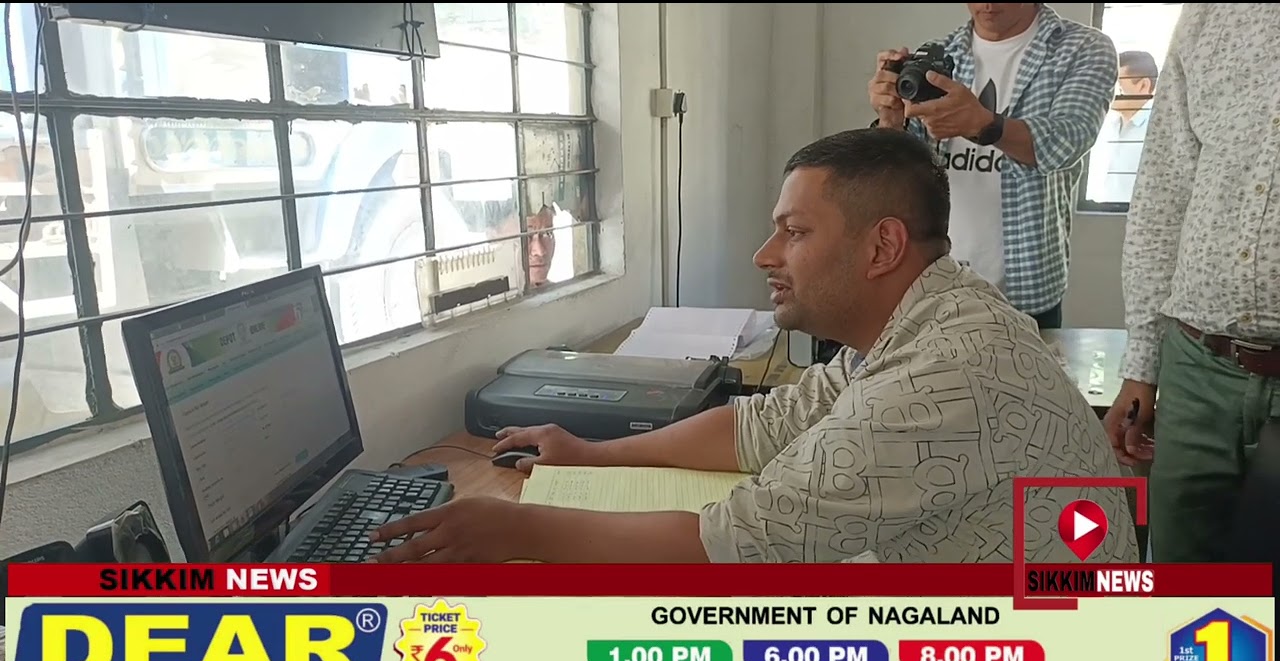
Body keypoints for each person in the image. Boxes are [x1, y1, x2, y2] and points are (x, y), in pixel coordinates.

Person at [370, 128, 1138, 565]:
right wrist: (589, 453)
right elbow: (764, 425)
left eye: (794, 232)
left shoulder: (941, 376)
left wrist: (514, 527)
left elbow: (733, 542)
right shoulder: (928, 312)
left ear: (881, 247)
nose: (764, 255)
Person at [1102, 4, 1280, 563]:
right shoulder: (1210, 15)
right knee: (1184, 583)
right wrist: (1141, 365)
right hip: (1197, 369)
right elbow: (1163, 195)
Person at [867, 3, 1117, 329]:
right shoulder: (939, 53)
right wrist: (890, 120)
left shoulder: (1082, 48)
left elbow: (1067, 140)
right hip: (933, 282)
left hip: (1026, 288)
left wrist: (984, 125)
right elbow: (898, 173)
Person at [1085, 50, 1159, 204]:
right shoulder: (1105, 126)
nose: (1107, 92)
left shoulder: (1158, 131)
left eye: (1117, 85)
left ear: (1143, 85)